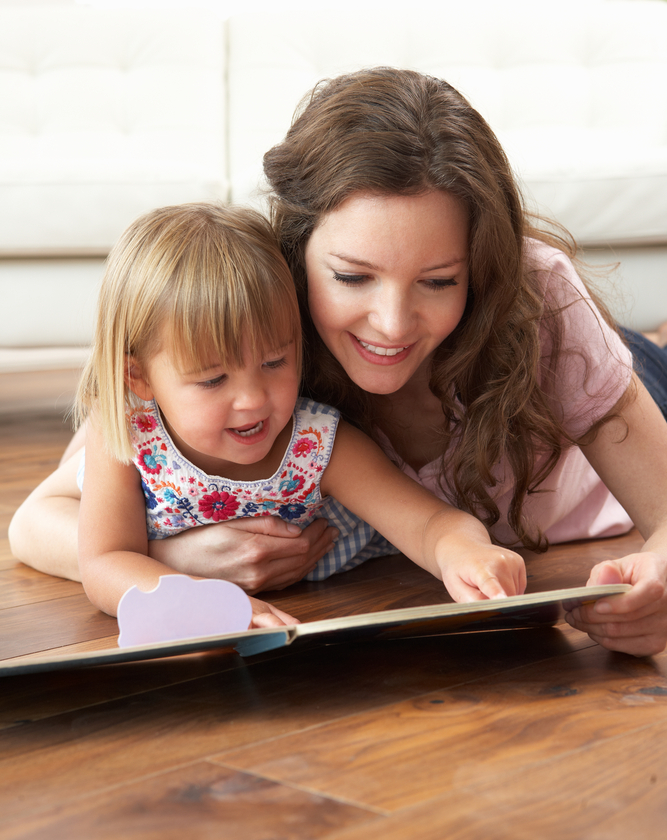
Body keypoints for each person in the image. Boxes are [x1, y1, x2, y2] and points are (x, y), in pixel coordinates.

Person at [10, 68, 667, 655]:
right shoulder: (250, 317)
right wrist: (178, 567)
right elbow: (38, 525)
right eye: (352, 277)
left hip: (619, 389)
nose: (390, 324)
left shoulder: (535, 297)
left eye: (438, 281)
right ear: (297, 257)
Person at [62, 200, 526, 627]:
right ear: (137, 378)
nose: (252, 400)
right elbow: (103, 564)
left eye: (274, 363)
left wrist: (464, 553)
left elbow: (429, 523)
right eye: (212, 380)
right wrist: (211, 605)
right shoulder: (124, 432)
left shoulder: (316, 442)